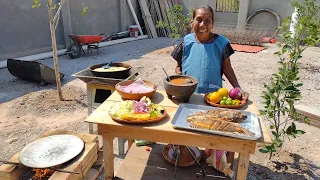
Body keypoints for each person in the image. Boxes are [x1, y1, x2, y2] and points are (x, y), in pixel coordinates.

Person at [171, 5, 249, 100]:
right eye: (199, 20)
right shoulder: (185, 42)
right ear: (192, 23)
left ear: (212, 24)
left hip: (213, 96)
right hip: (188, 94)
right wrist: (178, 74)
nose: (203, 24)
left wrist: (237, 87)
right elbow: (179, 66)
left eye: (208, 20)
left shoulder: (222, 43)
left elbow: (227, 68)